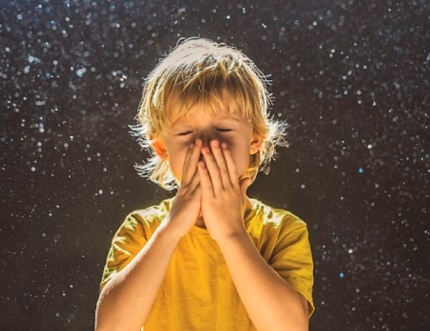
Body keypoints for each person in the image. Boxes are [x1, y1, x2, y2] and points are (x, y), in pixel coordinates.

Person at [95, 37, 314, 331]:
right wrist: (171, 229)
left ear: (254, 140)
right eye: (186, 133)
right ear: (162, 148)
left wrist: (230, 232)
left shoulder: (282, 231)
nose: (206, 145)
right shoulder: (142, 230)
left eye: (223, 129)